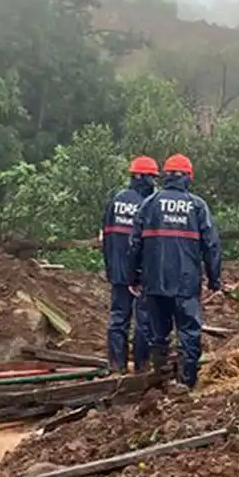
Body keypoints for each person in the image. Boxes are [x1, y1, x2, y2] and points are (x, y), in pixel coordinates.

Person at [127, 154, 222, 389]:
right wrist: (214, 278)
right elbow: (211, 245)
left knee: (158, 333)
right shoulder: (197, 206)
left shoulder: (149, 204)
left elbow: (134, 244)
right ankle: (187, 382)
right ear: (188, 177)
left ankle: (160, 379)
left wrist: (133, 276)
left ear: (165, 176)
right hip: (186, 281)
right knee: (189, 331)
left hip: (154, 280)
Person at [103, 157, 158, 373]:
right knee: (143, 320)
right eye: (152, 177)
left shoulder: (115, 201)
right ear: (140, 177)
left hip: (118, 271)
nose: (154, 182)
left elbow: (106, 238)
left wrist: (110, 267)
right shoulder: (148, 204)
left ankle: (116, 365)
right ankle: (142, 365)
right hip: (141, 274)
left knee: (118, 318)